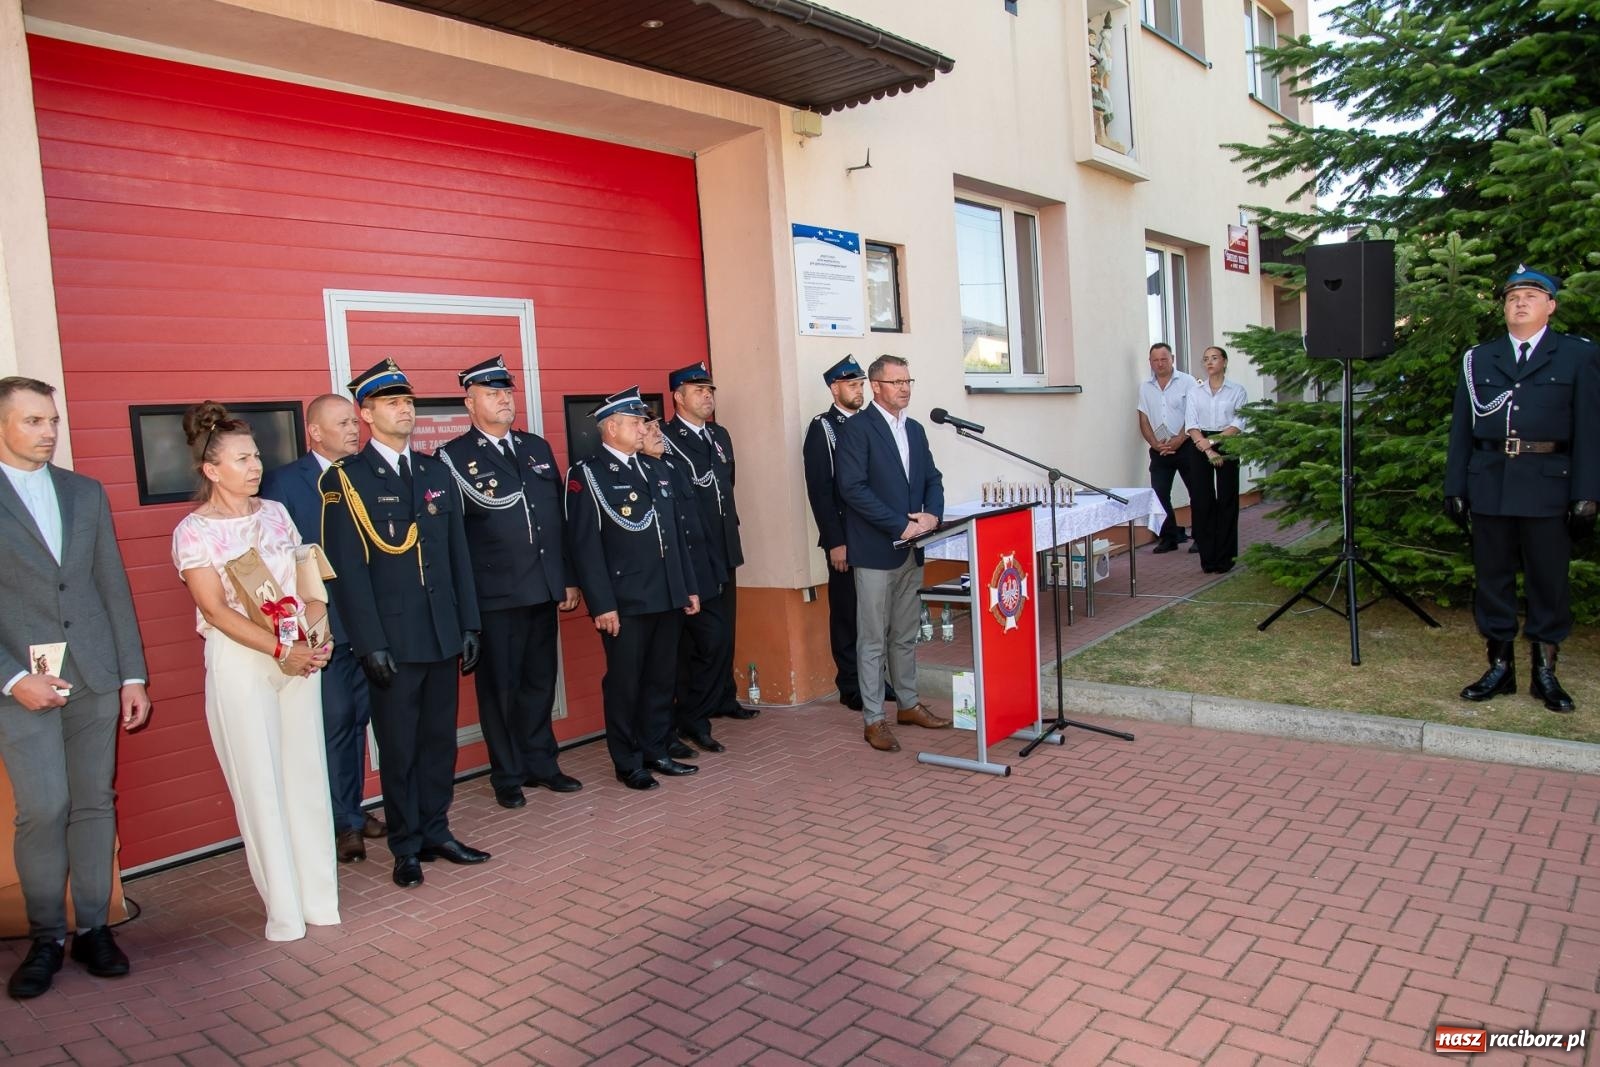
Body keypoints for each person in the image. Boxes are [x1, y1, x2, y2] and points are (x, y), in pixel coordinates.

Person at [0, 377, 150, 999]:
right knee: (43, 808)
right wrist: (12, 679)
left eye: (53, 420)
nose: (49, 432)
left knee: (92, 802)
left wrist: (132, 675)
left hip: (93, 676)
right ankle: (45, 939)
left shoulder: (84, 492)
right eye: (34, 421)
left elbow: (110, 584)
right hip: (21, 687)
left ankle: (94, 929)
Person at [171, 401, 338, 941]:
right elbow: (216, 610)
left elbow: (306, 577)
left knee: (306, 774)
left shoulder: (275, 513)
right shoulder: (194, 531)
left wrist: (317, 632)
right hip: (243, 660)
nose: (255, 466)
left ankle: (319, 898)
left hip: (297, 654)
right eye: (242, 459)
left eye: (257, 456)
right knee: (260, 783)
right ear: (212, 469)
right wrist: (279, 649)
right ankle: (284, 908)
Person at [319, 358, 487, 889]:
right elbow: (346, 573)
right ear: (367, 414)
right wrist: (368, 642)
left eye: (409, 402)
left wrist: (469, 624)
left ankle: (437, 831)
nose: (405, 410)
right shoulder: (346, 480)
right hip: (392, 641)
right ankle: (406, 846)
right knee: (400, 749)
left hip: (440, 633)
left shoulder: (435, 472)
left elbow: (458, 555)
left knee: (439, 743)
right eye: (392, 402)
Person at [1444, 266, 1600, 712]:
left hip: (1549, 485)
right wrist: (1456, 484)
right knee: (1492, 578)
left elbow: (1590, 429)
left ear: (1551, 306)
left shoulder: (1578, 355)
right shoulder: (1480, 358)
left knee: (1548, 581)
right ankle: (1500, 668)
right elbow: (1462, 428)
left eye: (1531, 296)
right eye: (1513, 297)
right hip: (1490, 482)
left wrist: (1587, 493)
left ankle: (1545, 672)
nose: (1520, 303)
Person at [436, 355, 582, 810]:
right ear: (469, 402)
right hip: (495, 597)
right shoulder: (453, 457)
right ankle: (507, 774)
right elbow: (453, 539)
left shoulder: (535, 448)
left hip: (542, 588)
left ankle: (542, 762)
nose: (503, 399)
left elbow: (557, 520)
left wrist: (567, 578)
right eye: (492, 393)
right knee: (500, 690)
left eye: (506, 392)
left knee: (540, 682)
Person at [259, 394, 385, 864]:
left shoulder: (364, 474)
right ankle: (341, 822)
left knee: (357, 720)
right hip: (321, 627)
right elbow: (278, 562)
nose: (354, 430)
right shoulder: (284, 483)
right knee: (333, 722)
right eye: (343, 423)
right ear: (314, 432)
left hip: (367, 623)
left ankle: (351, 809)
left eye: (355, 422)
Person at [565, 387, 701, 790]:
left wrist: (688, 588)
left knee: (660, 679)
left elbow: (674, 537)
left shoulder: (656, 470)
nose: (645, 429)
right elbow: (584, 547)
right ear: (612, 427)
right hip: (625, 602)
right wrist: (601, 604)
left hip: (666, 594)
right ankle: (627, 760)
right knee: (626, 683)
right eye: (637, 422)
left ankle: (656, 749)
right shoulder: (587, 474)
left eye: (644, 422)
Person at [834, 356, 949, 752]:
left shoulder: (914, 429)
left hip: (912, 551)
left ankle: (908, 704)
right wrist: (899, 525)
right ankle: (874, 719)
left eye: (908, 381)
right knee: (872, 640)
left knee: (904, 634)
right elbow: (852, 488)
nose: (904, 388)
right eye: (896, 381)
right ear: (876, 386)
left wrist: (932, 516)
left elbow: (932, 478)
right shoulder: (857, 429)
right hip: (875, 551)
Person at [802, 355, 898, 711]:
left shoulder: (871, 424)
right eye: (852, 385)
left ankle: (876, 680)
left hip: (875, 535)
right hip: (846, 537)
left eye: (860, 385)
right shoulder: (824, 428)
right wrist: (835, 541)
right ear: (834, 388)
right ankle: (851, 684)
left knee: (875, 613)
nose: (859, 391)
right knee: (847, 613)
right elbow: (820, 490)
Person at [663, 361, 756, 723]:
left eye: (710, 390)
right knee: (698, 635)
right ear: (678, 396)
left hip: (724, 542)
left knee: (726, 628)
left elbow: (726, 483)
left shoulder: (719, 435)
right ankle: (692, 707)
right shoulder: (665, 438)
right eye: (699, 390)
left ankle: (723, 697)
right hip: (693, 548)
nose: (707, 396)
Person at [639, 417, 722, 757]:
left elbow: (698, 520)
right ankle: (670, 728)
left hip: (696, 574)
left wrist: (713, 568)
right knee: (668, 660)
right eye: (649, 429)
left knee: (714, 642)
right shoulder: (637, 472)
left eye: (658, 428)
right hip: (665, 582)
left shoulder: (674, 466)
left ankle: (694, 716)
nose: (657, 433)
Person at [1184, 346, 1248, 574]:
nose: (1209, 362)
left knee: (1227, 499)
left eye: (1214, 358)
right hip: (1200, 443)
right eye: (1205, 359)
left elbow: (1239, 423)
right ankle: (1208, 558)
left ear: (1224, 361)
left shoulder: (1237, 391)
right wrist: (1208, 449)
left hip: (1227, 441)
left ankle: (1225, 558)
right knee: (1202, 500)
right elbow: (1191, 423)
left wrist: (1214, 442)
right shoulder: (1195, 392)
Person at [1137, 342, 1198, 554]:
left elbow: (1194, 414)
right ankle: (1169, 537)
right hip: (1160, 449)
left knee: (1197, 492)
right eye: (1155, 360)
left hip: (1187, 445)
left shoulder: (1188, 382)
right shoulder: (1145, 387)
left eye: (1164, 359)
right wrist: (1154, 443)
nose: (1160, 363)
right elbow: (1143, 419)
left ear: (1172, 359)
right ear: (1150, 362)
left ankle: (1201, 537)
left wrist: (1180, 439)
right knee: (1159, 493)